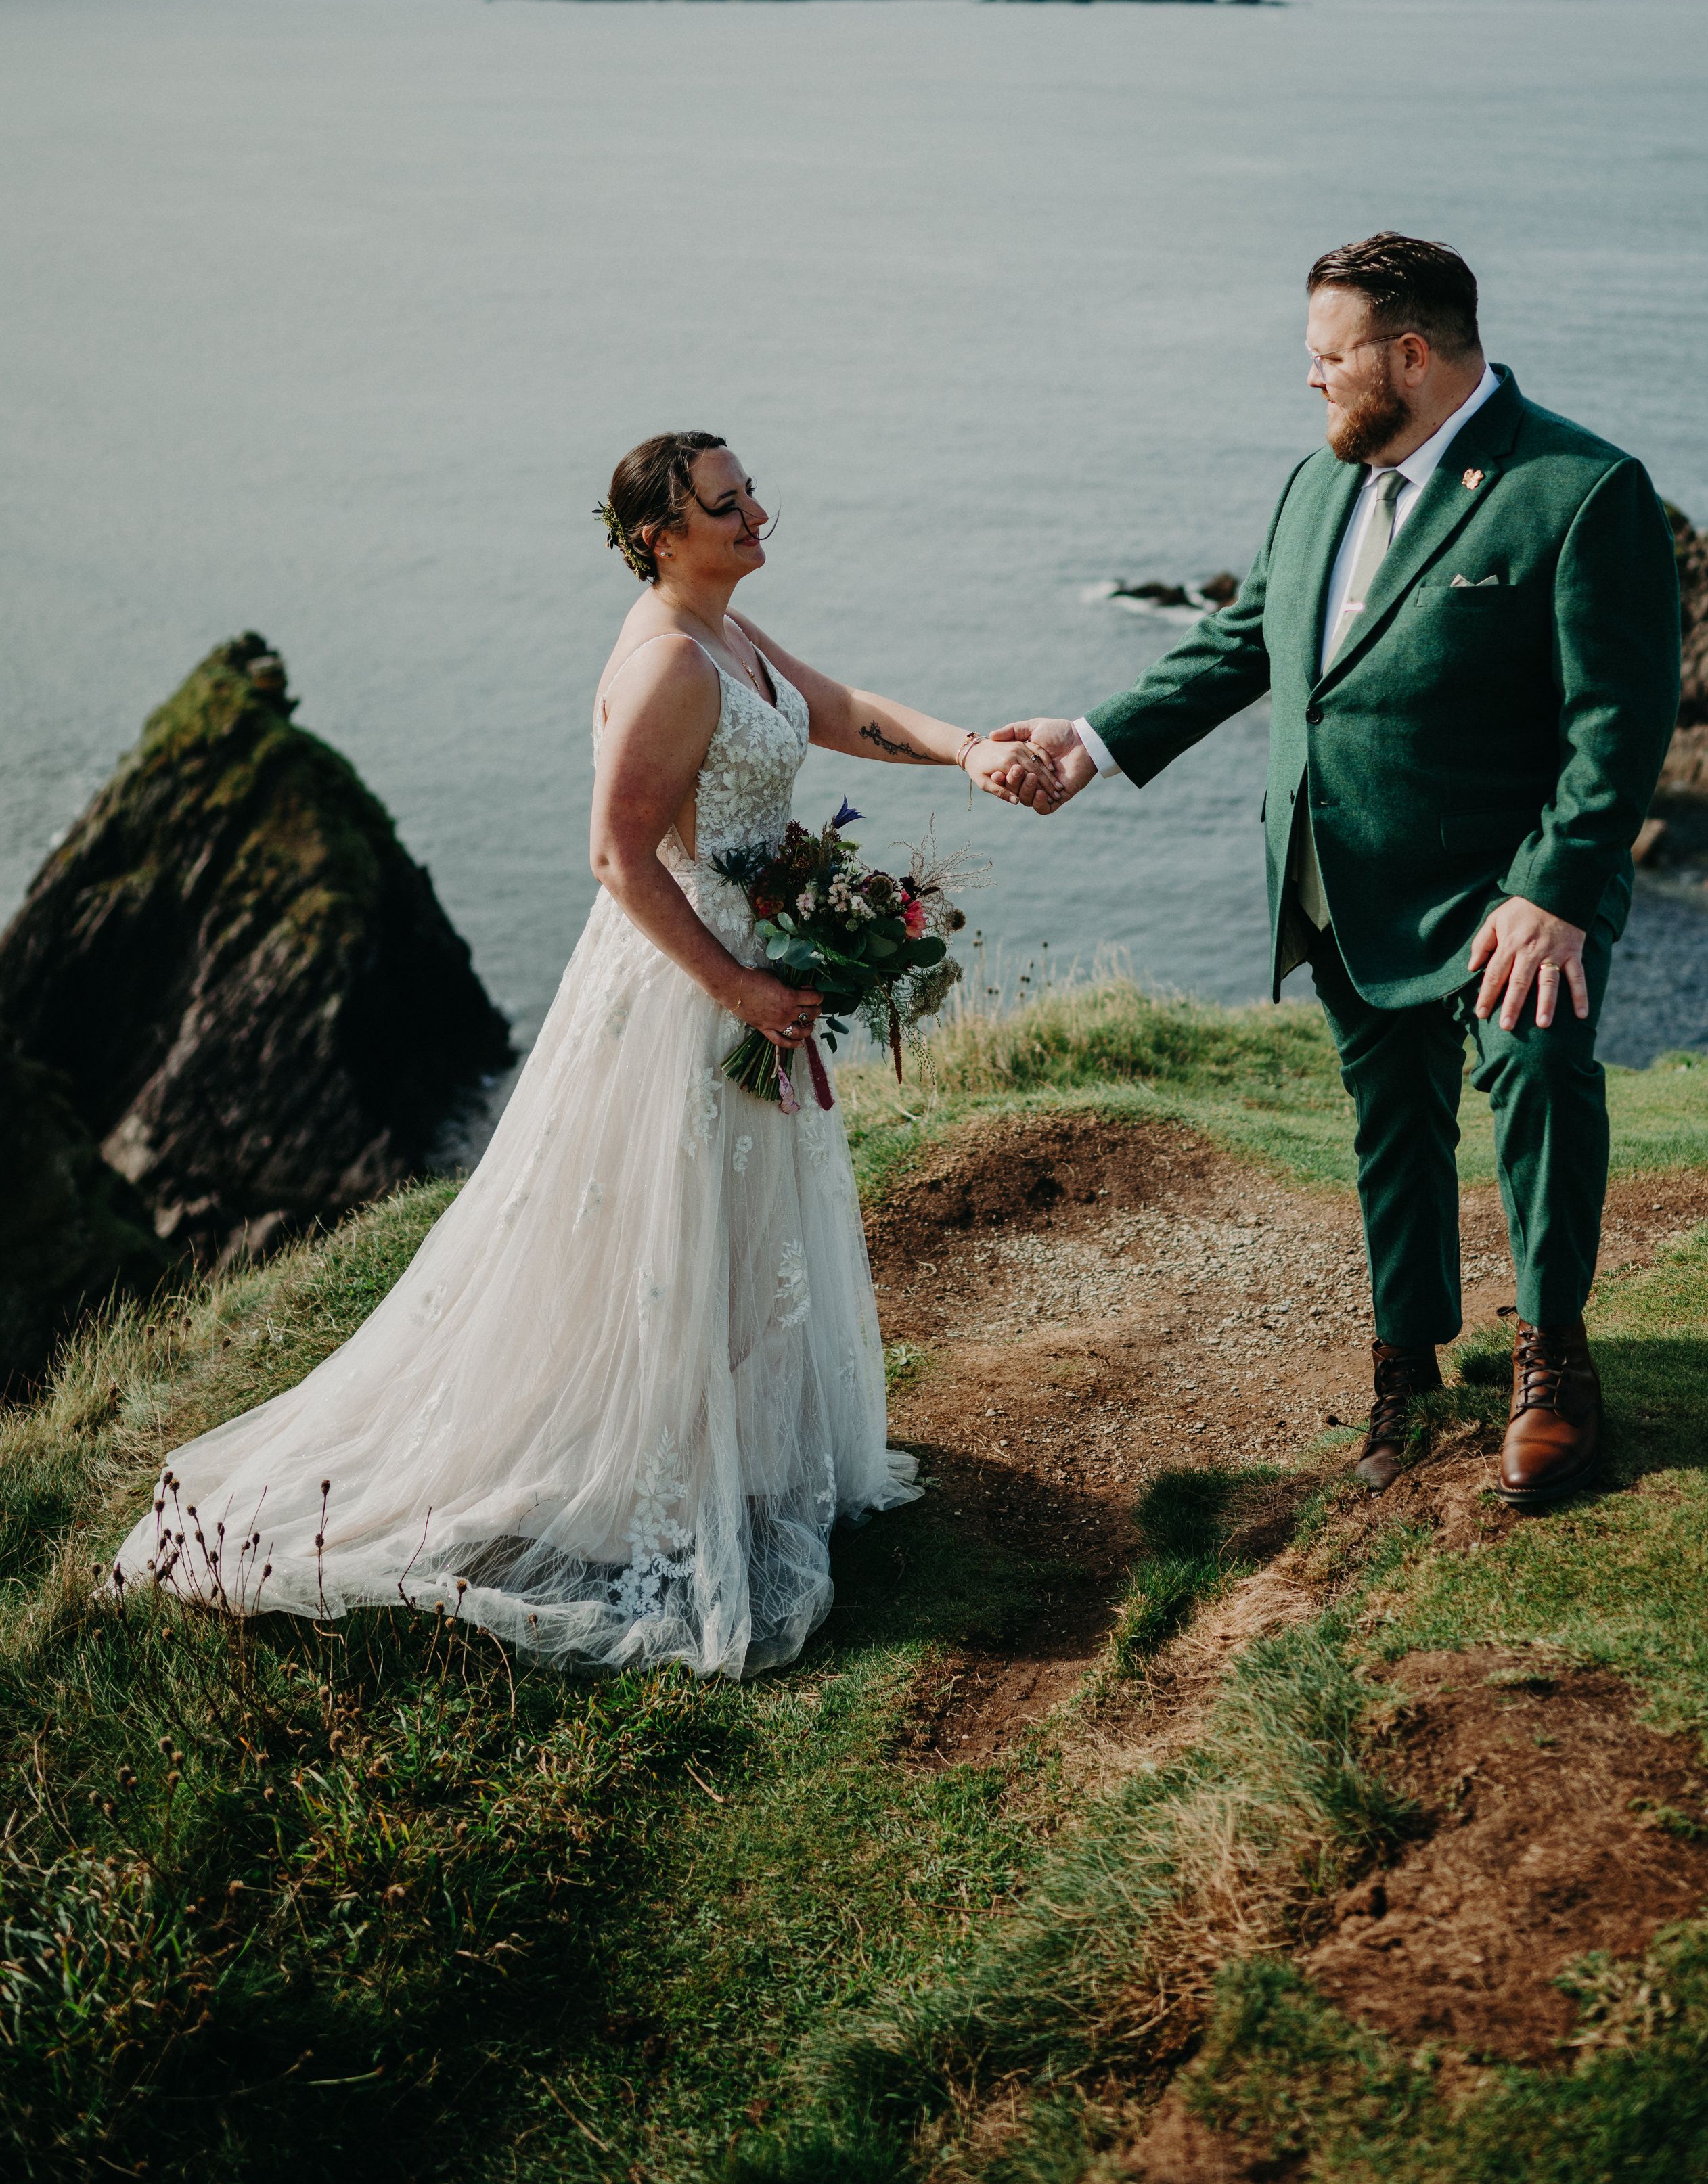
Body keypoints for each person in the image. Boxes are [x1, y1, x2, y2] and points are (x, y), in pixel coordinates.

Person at [110, 432, 1052, 1671]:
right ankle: (643, 1480)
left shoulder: (731, 636)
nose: (759, 512)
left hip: (747, 968)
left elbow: (843, 716)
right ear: (662, 535)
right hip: (688, 986)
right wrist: (736, 983)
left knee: (727, 1224)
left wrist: (970, 749)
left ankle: (722, 1452)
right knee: (661, 1231)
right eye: (730, 503)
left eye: (751, 490)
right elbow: (616, 856)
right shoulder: (669, 660)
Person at [996, 235, 1680, 1508]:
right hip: (1344, 873)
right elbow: (1247, 636)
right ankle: (1406, 1371)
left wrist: (1558, 892)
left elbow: (1619, 724)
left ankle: (1554, 1364)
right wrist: (1090, 743)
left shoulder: (1581, 489)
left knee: (1537, 1084)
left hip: (1512, 891)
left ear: (1410, 356)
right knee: (1391, 1129)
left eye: (1328, 356)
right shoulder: (1319, 485)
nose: (1309, 379)